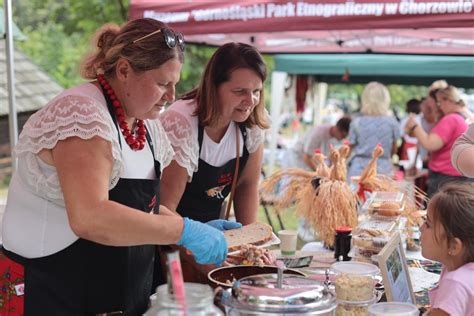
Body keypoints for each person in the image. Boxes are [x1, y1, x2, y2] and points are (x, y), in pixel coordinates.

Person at [0, 18, 231, 315]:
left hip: (113, 294)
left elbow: (138, 206)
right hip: (50, 292)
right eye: (162, 83)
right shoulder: (80, 116)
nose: (172, 97)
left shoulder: (145, 125)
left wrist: (191, 229)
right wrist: (181, 230)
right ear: (123, 70)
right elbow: (90, 216)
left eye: (175, 85)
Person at [159, 42, 269, 225]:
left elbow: (247, 186)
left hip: (211, 233)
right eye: (239, 91)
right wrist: (193, 239)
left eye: (256, 91)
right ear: (214, 87)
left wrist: (249, 241)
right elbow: (165, 207)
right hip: (170, 236)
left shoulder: (251, 124)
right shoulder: (182, 123)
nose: (250, 101)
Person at [405, 85, 472, 197]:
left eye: (440, 102)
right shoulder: (465, 116)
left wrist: (415, 126)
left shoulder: (451, 119)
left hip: (445, 178)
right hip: (460, 176)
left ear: (448, 100)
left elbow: (430, 144)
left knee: (438, 212)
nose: (439, 107)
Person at [420, 182, 474, 316]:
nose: (421, 228)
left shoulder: (456, 283)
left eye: (428, 224)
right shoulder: (455, 268)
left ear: (453, 246)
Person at [347, 82, 400, 180]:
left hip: (358, 171)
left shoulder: (357, 122)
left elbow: (348, 149)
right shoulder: (392, 123)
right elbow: (394, 150)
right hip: (383, 170)